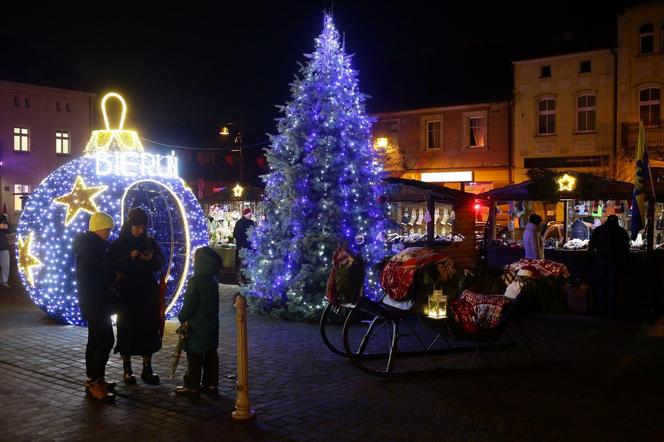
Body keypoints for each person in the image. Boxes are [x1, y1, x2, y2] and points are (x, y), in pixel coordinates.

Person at [110, 208, 164, 384]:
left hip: (147, 293)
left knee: (148, 328)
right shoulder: (119, 244)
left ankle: (147, 368)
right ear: (130, 225)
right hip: (127, 294)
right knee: (127, 328)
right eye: (137, 227)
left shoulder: (149, 242)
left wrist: (151, 260)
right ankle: (127, 369)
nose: (140, 231)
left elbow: (160, 262)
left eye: (143, 227)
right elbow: (112, 266)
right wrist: (129, 258)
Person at [73, 211, 117, 402]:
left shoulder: (93, 246)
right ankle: (95, 382)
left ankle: (93, 378)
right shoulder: (93, 249)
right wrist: (112, 277)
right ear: (98, 228)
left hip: (94, 301)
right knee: (106, 340)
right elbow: (90, 276)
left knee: (95, 340)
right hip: (96, 301)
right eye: (106, 229)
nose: (108, 233)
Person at [175, 246, 224, 396]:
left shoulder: (196, 281)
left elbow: (190, 304)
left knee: (194, 356)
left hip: (196, 325)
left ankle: (191, 385)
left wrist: (182, 316)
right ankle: (210, 384)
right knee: (210, 354)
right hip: (210, 325)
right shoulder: (212, 280)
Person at [588, 215, 630, 317]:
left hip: (600, 260)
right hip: (614, 261)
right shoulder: (621, 232)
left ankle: (600, 308)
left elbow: (591, 245)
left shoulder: (599, 230)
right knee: (612, 286)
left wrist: (590, 258)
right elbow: (626, 248)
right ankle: (610, 309)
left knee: (600, 285)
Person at [233, 207, 255, 283]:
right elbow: (236, 234)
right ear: (248, 214)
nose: (251, 215)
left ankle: (245, 277)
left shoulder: (242, 222)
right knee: (244, 262)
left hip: (246, 246)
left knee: (246, 262)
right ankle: (241, 277)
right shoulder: (245, 223)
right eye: (250, 214)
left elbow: (235, 234)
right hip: (245, 246)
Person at [0, 214, 15, 288]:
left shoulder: (2, 218)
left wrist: (6, 227)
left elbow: (12, 229)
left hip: (3, 247)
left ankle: (4, 282)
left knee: (5, 266)